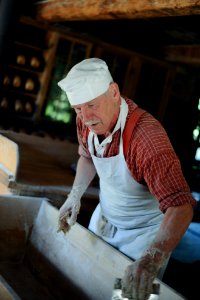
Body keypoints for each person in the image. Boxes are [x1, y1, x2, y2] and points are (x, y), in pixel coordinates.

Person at [57, 58, 196, 300]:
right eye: (78, 109)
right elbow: (88, 158)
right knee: (86, 286)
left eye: (92, 105)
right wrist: (74, 196)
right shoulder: (85, 121)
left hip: (143, 239)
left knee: (125, 296)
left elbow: (181, 208)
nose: (86, 117)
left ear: (113, 92)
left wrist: (152, 260)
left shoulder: (147, 140)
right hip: (105, 219)